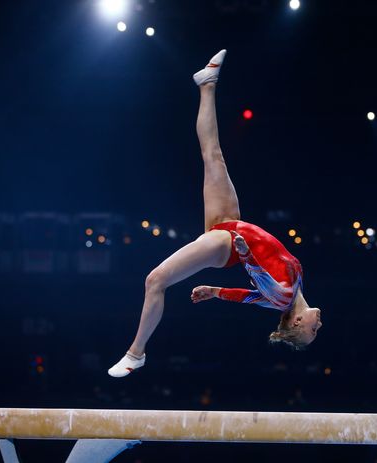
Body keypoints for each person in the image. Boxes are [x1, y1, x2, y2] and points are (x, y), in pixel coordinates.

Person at [108, 50, 322, 378]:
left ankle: (136, 352)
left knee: (155, 281)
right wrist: (214, 292)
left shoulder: (282, 297)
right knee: (214, 156)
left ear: (296, 322)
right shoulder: (289, 293)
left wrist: (244, 250)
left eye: (312, 331)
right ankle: (206, 84)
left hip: (229, 243)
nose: (317, 327)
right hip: (230, 228)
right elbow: (250, 296)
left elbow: (261, 277)